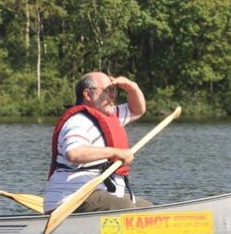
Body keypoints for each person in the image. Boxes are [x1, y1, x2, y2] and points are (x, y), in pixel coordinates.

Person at [43, 72, 152, 214]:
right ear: (87, 95)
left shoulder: (112, 116)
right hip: (72, 198)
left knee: (147, 208)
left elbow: (137, 109)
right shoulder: (78, 121)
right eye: (107, 90)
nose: (113, 95)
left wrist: (131, 87)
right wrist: (115, 152)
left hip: (101, 195)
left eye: (114, 90)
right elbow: (74, 153)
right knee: (125, 206)